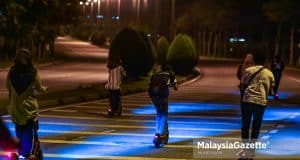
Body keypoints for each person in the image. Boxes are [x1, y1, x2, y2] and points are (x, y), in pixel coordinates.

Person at [6, 48, 47, 158]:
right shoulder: (33, 72)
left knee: (19, 130)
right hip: (28, 109)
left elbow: (8, 87)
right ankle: (26, 153)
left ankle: (21, 153)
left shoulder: (11, 71)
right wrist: (44, 89)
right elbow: (38, 88)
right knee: (29, 130)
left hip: (16, 108)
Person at [239, 51, 275, 159]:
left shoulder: (247, 71)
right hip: (261, 102)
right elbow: (271, 91)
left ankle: (245, 150)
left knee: (245, 126)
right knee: (256, 127)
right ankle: (251, 152)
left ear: (254, 60)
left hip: (247, 100)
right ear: (265, 61)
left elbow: (242, 85)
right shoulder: (269, 73)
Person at [148, 64, 178, 147]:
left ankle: (157, 134)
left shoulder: (156, 74)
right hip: (163, 95)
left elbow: (149, 85)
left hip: (153, 96)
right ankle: (159, 134)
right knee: (164, 114)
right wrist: (173, 85)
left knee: (159, 113)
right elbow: (176, 86)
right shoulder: (170, 74)